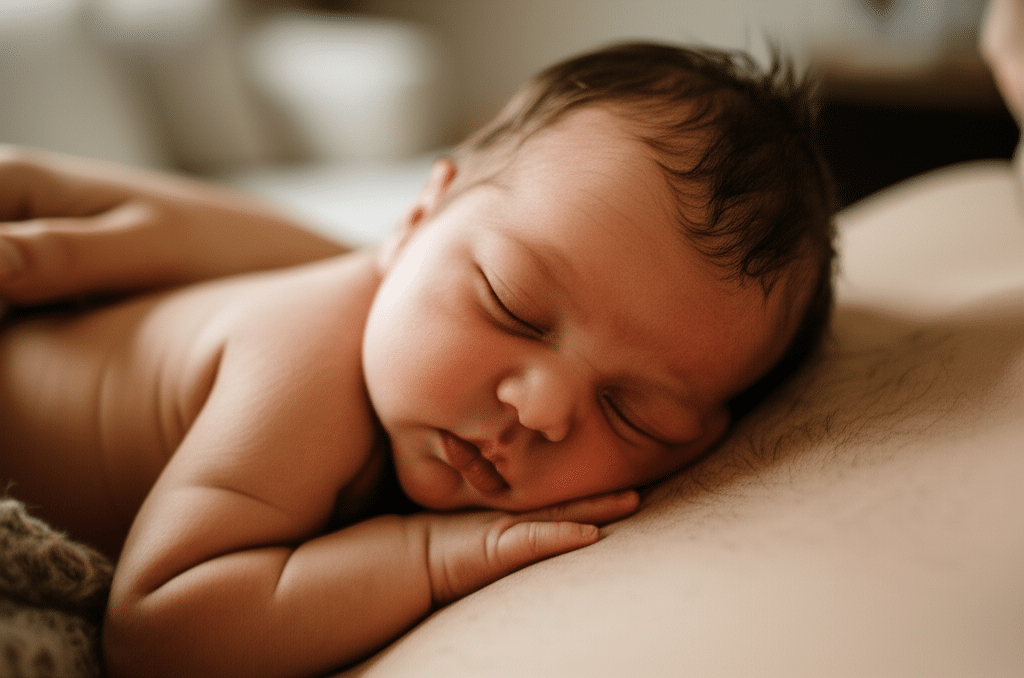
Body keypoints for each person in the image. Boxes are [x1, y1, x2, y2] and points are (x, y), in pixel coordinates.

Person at [0, 42, 835, 678]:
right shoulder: (304, 365)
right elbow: (159, 633)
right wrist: (428, 558)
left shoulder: (410, 318)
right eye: (512, 304)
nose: (540, 411)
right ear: (414, 219)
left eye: (632, 413)